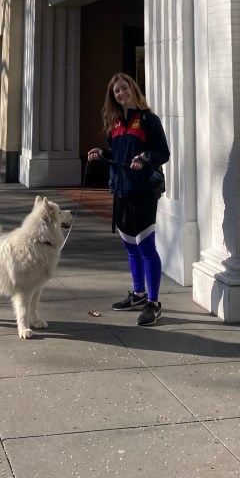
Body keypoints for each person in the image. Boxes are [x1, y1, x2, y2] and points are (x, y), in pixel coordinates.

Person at [88, 73, 170, 327]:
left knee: (146, 247)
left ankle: (154, 303)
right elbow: (117, 152)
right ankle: (138, 294)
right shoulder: (114, 124)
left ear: (133, 90)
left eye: (124, 88)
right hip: (120, 191)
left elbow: (163, 153)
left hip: (143, 190)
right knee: (130, 247)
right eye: (116, 91)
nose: (121, 93)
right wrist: (101, 152)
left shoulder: (148, 120)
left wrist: (145, 157)